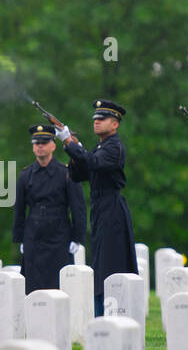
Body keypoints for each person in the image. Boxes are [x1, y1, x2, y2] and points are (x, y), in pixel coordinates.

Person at [54, 99, 138, 316]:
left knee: (111, 263)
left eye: (103, 119)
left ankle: (111, 314)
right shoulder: (100, 147)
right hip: (100, 209)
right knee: (100, 263)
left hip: (112, 208)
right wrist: (72, 147)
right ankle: (101, 315)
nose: (97, 122)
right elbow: (78, 175)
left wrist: (72, 145)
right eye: (96, 119)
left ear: (115, 124)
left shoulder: (114, 147)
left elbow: (94, 163)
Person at [12, 123, 86, 294]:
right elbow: (20, 210)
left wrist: (77, 238)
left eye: (44, 142)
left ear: (53, 145)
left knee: (59, 287)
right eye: (36, 143)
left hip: (59, 237)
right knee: (32, 289)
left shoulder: (66, 173)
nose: (39, 146)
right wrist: (20, 238)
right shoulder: (25, 175)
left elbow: (78, 207)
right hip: (34, 236)